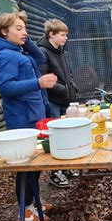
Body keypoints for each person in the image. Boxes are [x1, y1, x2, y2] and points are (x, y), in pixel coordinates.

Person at [0, 11, 57, 221]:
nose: (24, 33)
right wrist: (38, 83)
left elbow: (40, 58)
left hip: (33, 115)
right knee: (25, 166)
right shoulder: (6, 55)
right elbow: (5, 87)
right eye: (18, 28)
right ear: (4, 31)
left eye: (24, 28)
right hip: (22, 120)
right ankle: (25, 211)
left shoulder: (18, 51)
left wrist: (25, 38)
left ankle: (33, 203)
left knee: (35, 165)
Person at [38, 19, 79, 187]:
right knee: (56, 136)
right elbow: (42, 78)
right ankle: (55, 173)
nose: (65, 38)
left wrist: (71, 86)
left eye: (66, 35)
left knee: (68, 134)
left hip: (65, 99)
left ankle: (66, 166)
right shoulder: (42, 52)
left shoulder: (61, 50)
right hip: (53, 100)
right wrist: (61, 89)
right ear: (51, 34)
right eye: (62, 35)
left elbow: (67, 73)